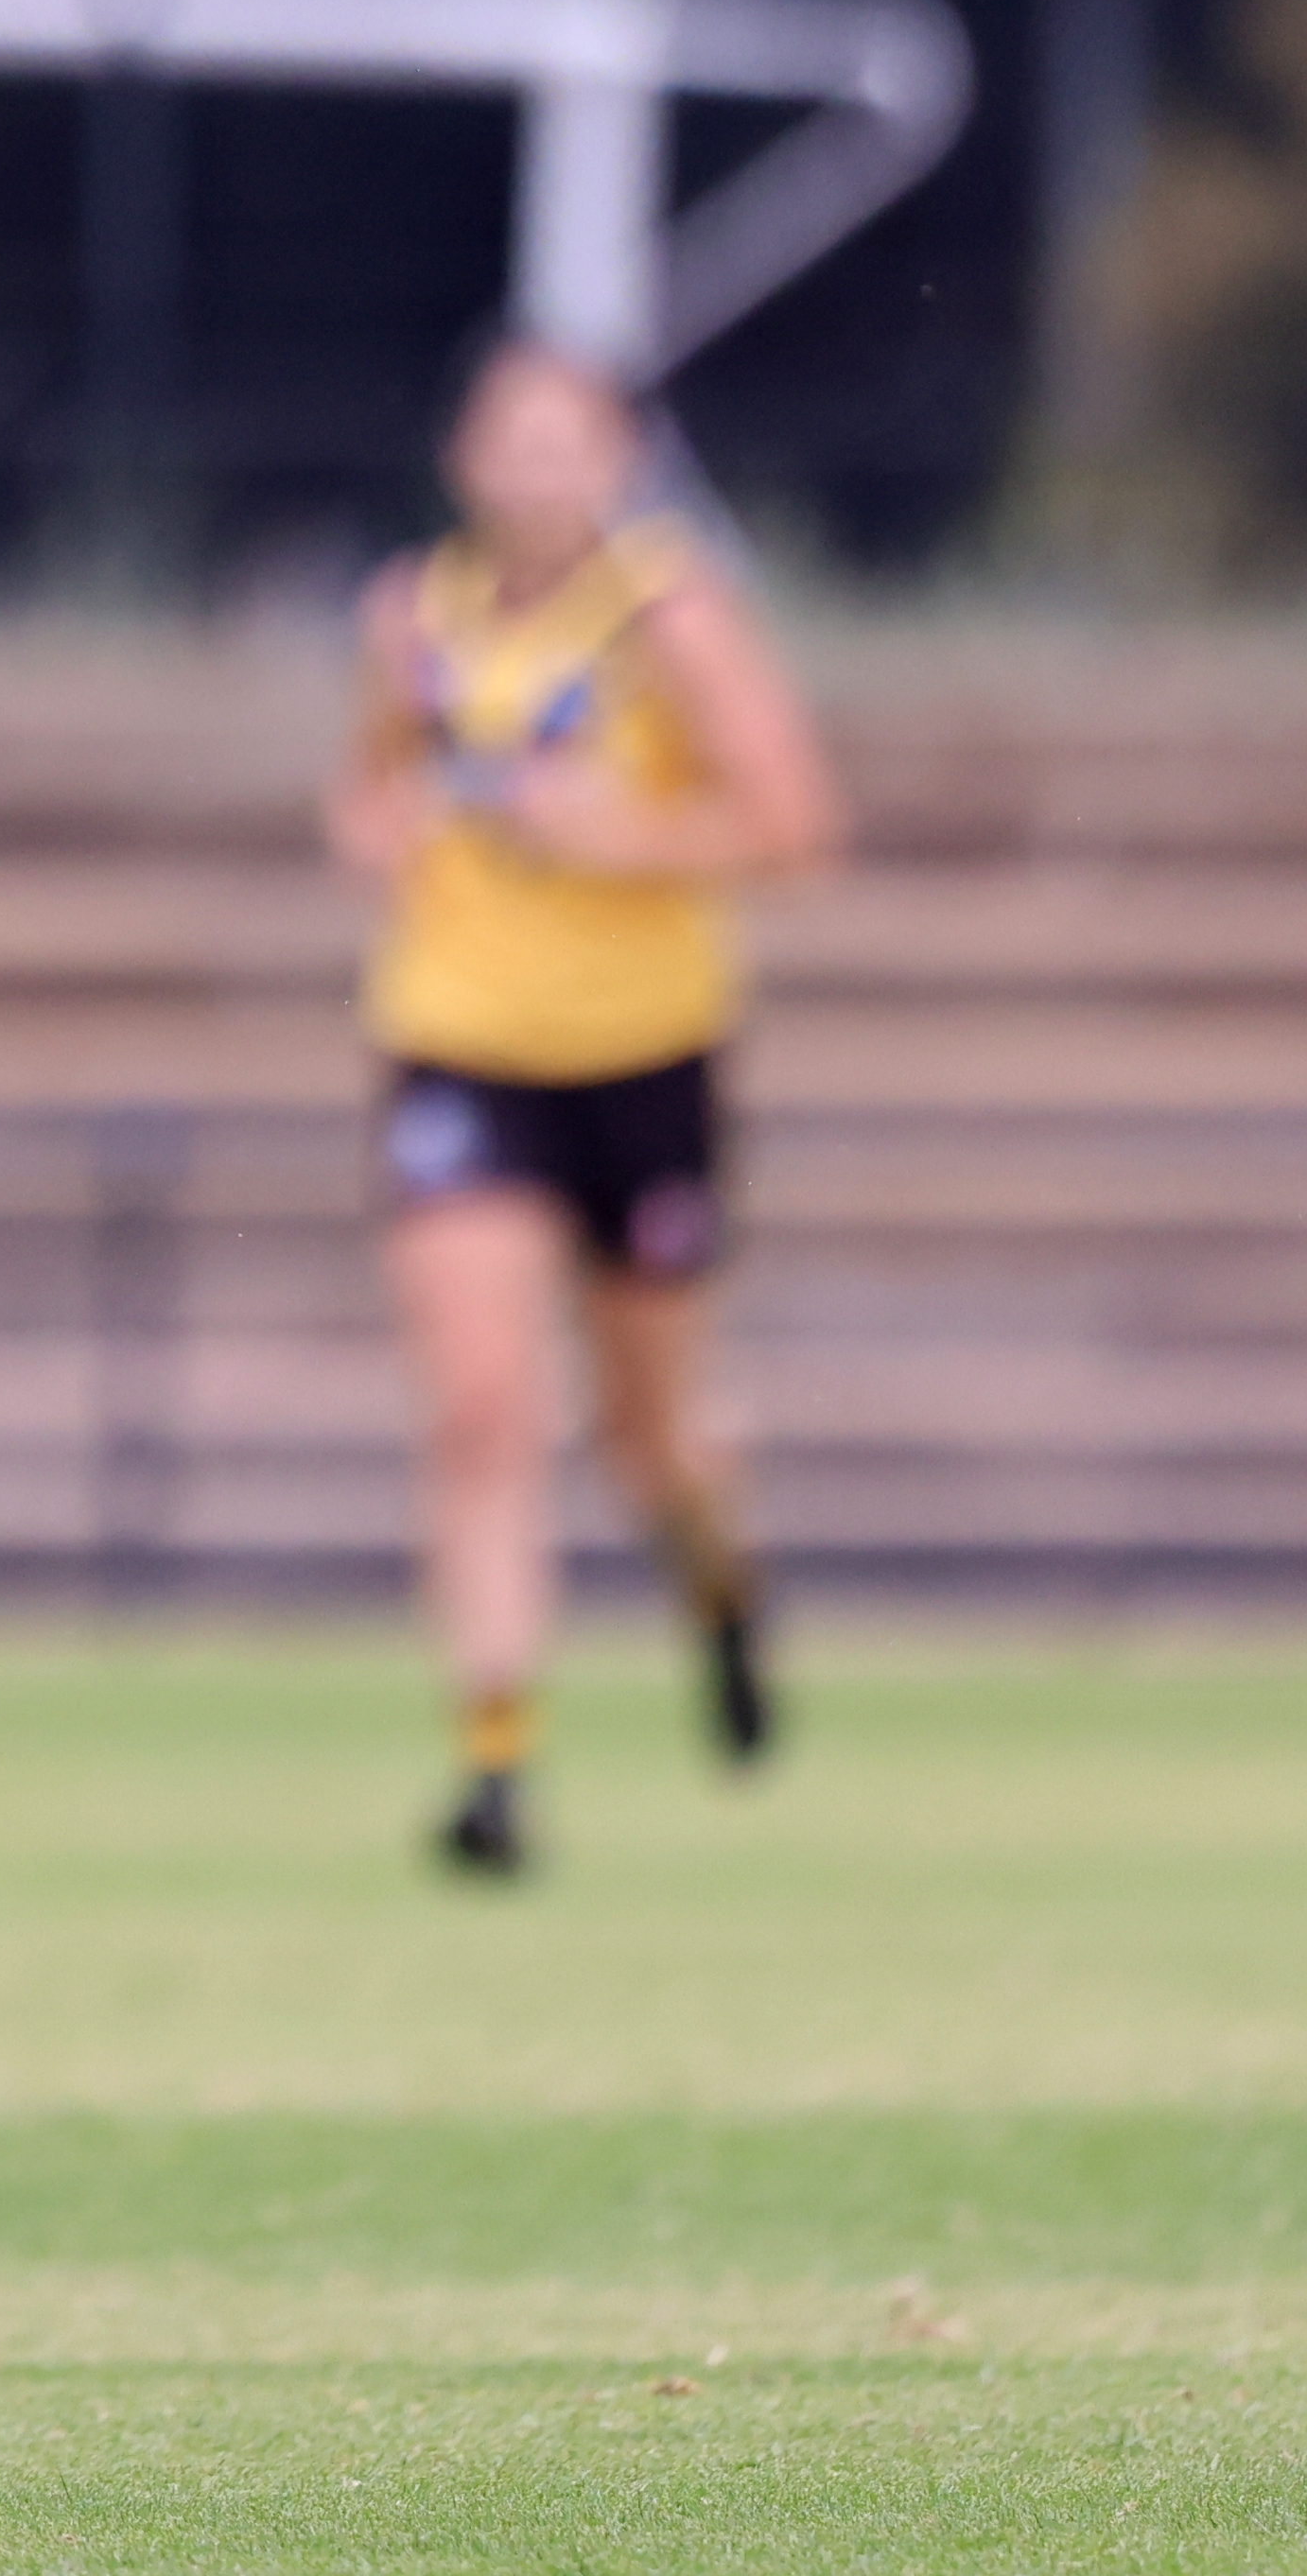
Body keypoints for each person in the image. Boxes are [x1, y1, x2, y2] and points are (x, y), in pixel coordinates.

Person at [327, 327, 846, 1878]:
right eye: (509, 437)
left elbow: (796, 824)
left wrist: (617, 834)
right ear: (462, 457)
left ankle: (720, 1592)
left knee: (649, 1433)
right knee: (482, 1405)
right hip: (459, 1043)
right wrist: (383, 823)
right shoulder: (407, 616)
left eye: (567, 440)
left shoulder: (670, 617)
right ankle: (495, 1756)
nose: (534, 468)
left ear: (617, 461)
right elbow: (365, 785)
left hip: (643, 1056)